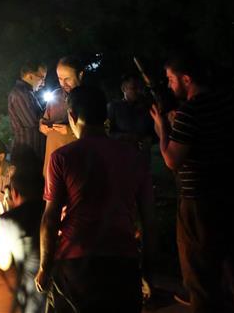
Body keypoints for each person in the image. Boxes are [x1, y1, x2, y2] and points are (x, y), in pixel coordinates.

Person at [36, 85, 155, 313]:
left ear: (72, 116)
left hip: (75, 262)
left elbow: (50, 219)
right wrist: (148, 272)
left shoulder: (62, 157)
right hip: (123, 260)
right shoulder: (134, 157)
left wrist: (45, 267)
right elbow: (149, 221)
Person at [150, 54, 234, 313]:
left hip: (199, 203)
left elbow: (172, 159)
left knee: (200, 276)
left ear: (186, 79)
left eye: (171, 79)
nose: (169, 85)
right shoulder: (232, 103)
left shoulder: (190, 112)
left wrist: (163, 129)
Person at [0, 165, 46, 313]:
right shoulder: (54, 212)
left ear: (14, 193)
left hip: (33, 295)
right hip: (66, 288)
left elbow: (4, 263)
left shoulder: (7, 220)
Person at [40, 56, 83, 177]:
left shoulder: (89, 97)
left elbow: (99, 132)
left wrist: (70, 131)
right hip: (52, 165)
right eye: (60, 79)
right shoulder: (55, 96)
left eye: (67, 79)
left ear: (80, 75)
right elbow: (45, 119)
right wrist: (42, 126)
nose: (63, 84)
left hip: (76, 166)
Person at [7, 63, 47, 168]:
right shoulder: (20, 94)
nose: (43, 83)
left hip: (32, 151)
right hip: (27, 153)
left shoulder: (27, 93)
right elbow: (33, 121)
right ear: (30, 76)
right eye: (42, 78)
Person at [108, 74, 155, 157]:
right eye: (134, 88)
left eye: (140, 88)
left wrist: (149, 139)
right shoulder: (114, 107)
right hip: (121, 155)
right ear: (123, 89)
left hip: (143, 156)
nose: (138, 91)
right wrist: (125, 137)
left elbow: (154, 131)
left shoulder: (146, 107)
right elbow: (107, 133)